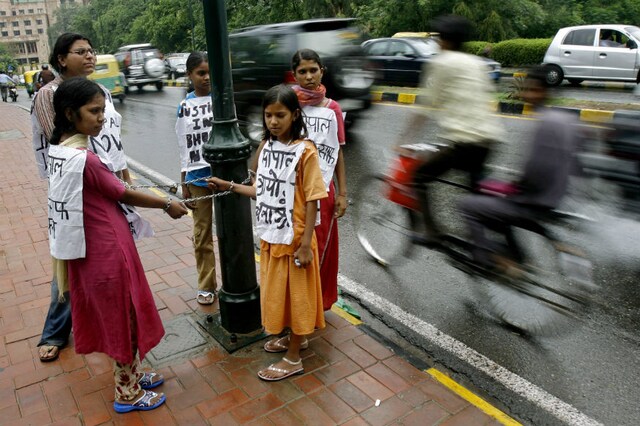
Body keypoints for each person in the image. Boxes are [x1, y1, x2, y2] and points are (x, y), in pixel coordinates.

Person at [47, 77, 188, 412]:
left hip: (89, 249)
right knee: (121, 317)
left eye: (102, 111)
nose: (100, 118)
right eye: (93, 112)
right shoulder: (86, 160)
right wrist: (167, 203)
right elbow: (121, 192)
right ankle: (128, 392)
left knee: (119, 314)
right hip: (107, 251)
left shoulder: (60, 152)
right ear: (70, 114)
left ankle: (134, 375)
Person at [208, 84, 327, 381]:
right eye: (268, 115)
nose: (273, 121)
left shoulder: (306, 152)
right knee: (282, 295)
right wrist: (230, 186)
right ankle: (292, 337)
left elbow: (313, 198)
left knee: (298, 297)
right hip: (273, 237)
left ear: (294, 115)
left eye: (280, 115)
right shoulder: (266, 148)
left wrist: (303, 243)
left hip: (295, 239)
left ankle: (294, 357)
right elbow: (261, 191)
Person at [32, 32, 132, 362]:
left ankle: (106, 319)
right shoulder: (48, 95)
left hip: (105, 177)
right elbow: (59, 141)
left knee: (104, 257)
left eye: (92, 50)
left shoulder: (100, 91)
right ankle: (55, 331)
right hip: (77, 184)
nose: (89, 56)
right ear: (61, 58)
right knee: (69, 253)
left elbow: (112, 137)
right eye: (80, 52)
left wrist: (122, 171)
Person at [257, 49, 347, 353]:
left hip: (321, 192)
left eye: (313, 70)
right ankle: (296, 323)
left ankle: (306, 321)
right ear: (293, 75)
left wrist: (343, 193)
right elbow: (263, 158)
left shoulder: (332, 109)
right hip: (290, 194)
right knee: (294, 259)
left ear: (322, 71)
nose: (308, 77)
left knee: (315, 255)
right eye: (302, 72)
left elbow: (338, 152)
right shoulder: (287, 104)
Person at [459, 66, 579, 270]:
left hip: (532, 202)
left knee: (468, 206)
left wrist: (518, 186)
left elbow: (537, 170)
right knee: (490, 191)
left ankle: (486, 258)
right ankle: (516, 253)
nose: (525, 95)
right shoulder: (564, 119)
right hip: (555, 199)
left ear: (544, 92)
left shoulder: (545, 124)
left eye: (531, 90)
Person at [400, 15, 501, 245]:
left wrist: (404, 139)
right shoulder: (477, 63)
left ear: (445, 41)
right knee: (476, 191)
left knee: (418, 177)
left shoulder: (441, 62)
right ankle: (489, 243)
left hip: (463, 142)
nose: (436, 43)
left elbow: (424, 108)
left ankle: (431, 232)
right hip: (488, 140)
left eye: (438, 38)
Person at [175, 52, 217, 305]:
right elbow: (183, 145)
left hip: (224, 179)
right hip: (197, 180)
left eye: (210, 72)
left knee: (230, 233)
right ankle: (207, 284)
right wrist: (184, 182)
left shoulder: (222, 100)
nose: (207, 78)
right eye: (201, 73)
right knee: (202, 234)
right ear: (190, 75)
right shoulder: (185, 107)